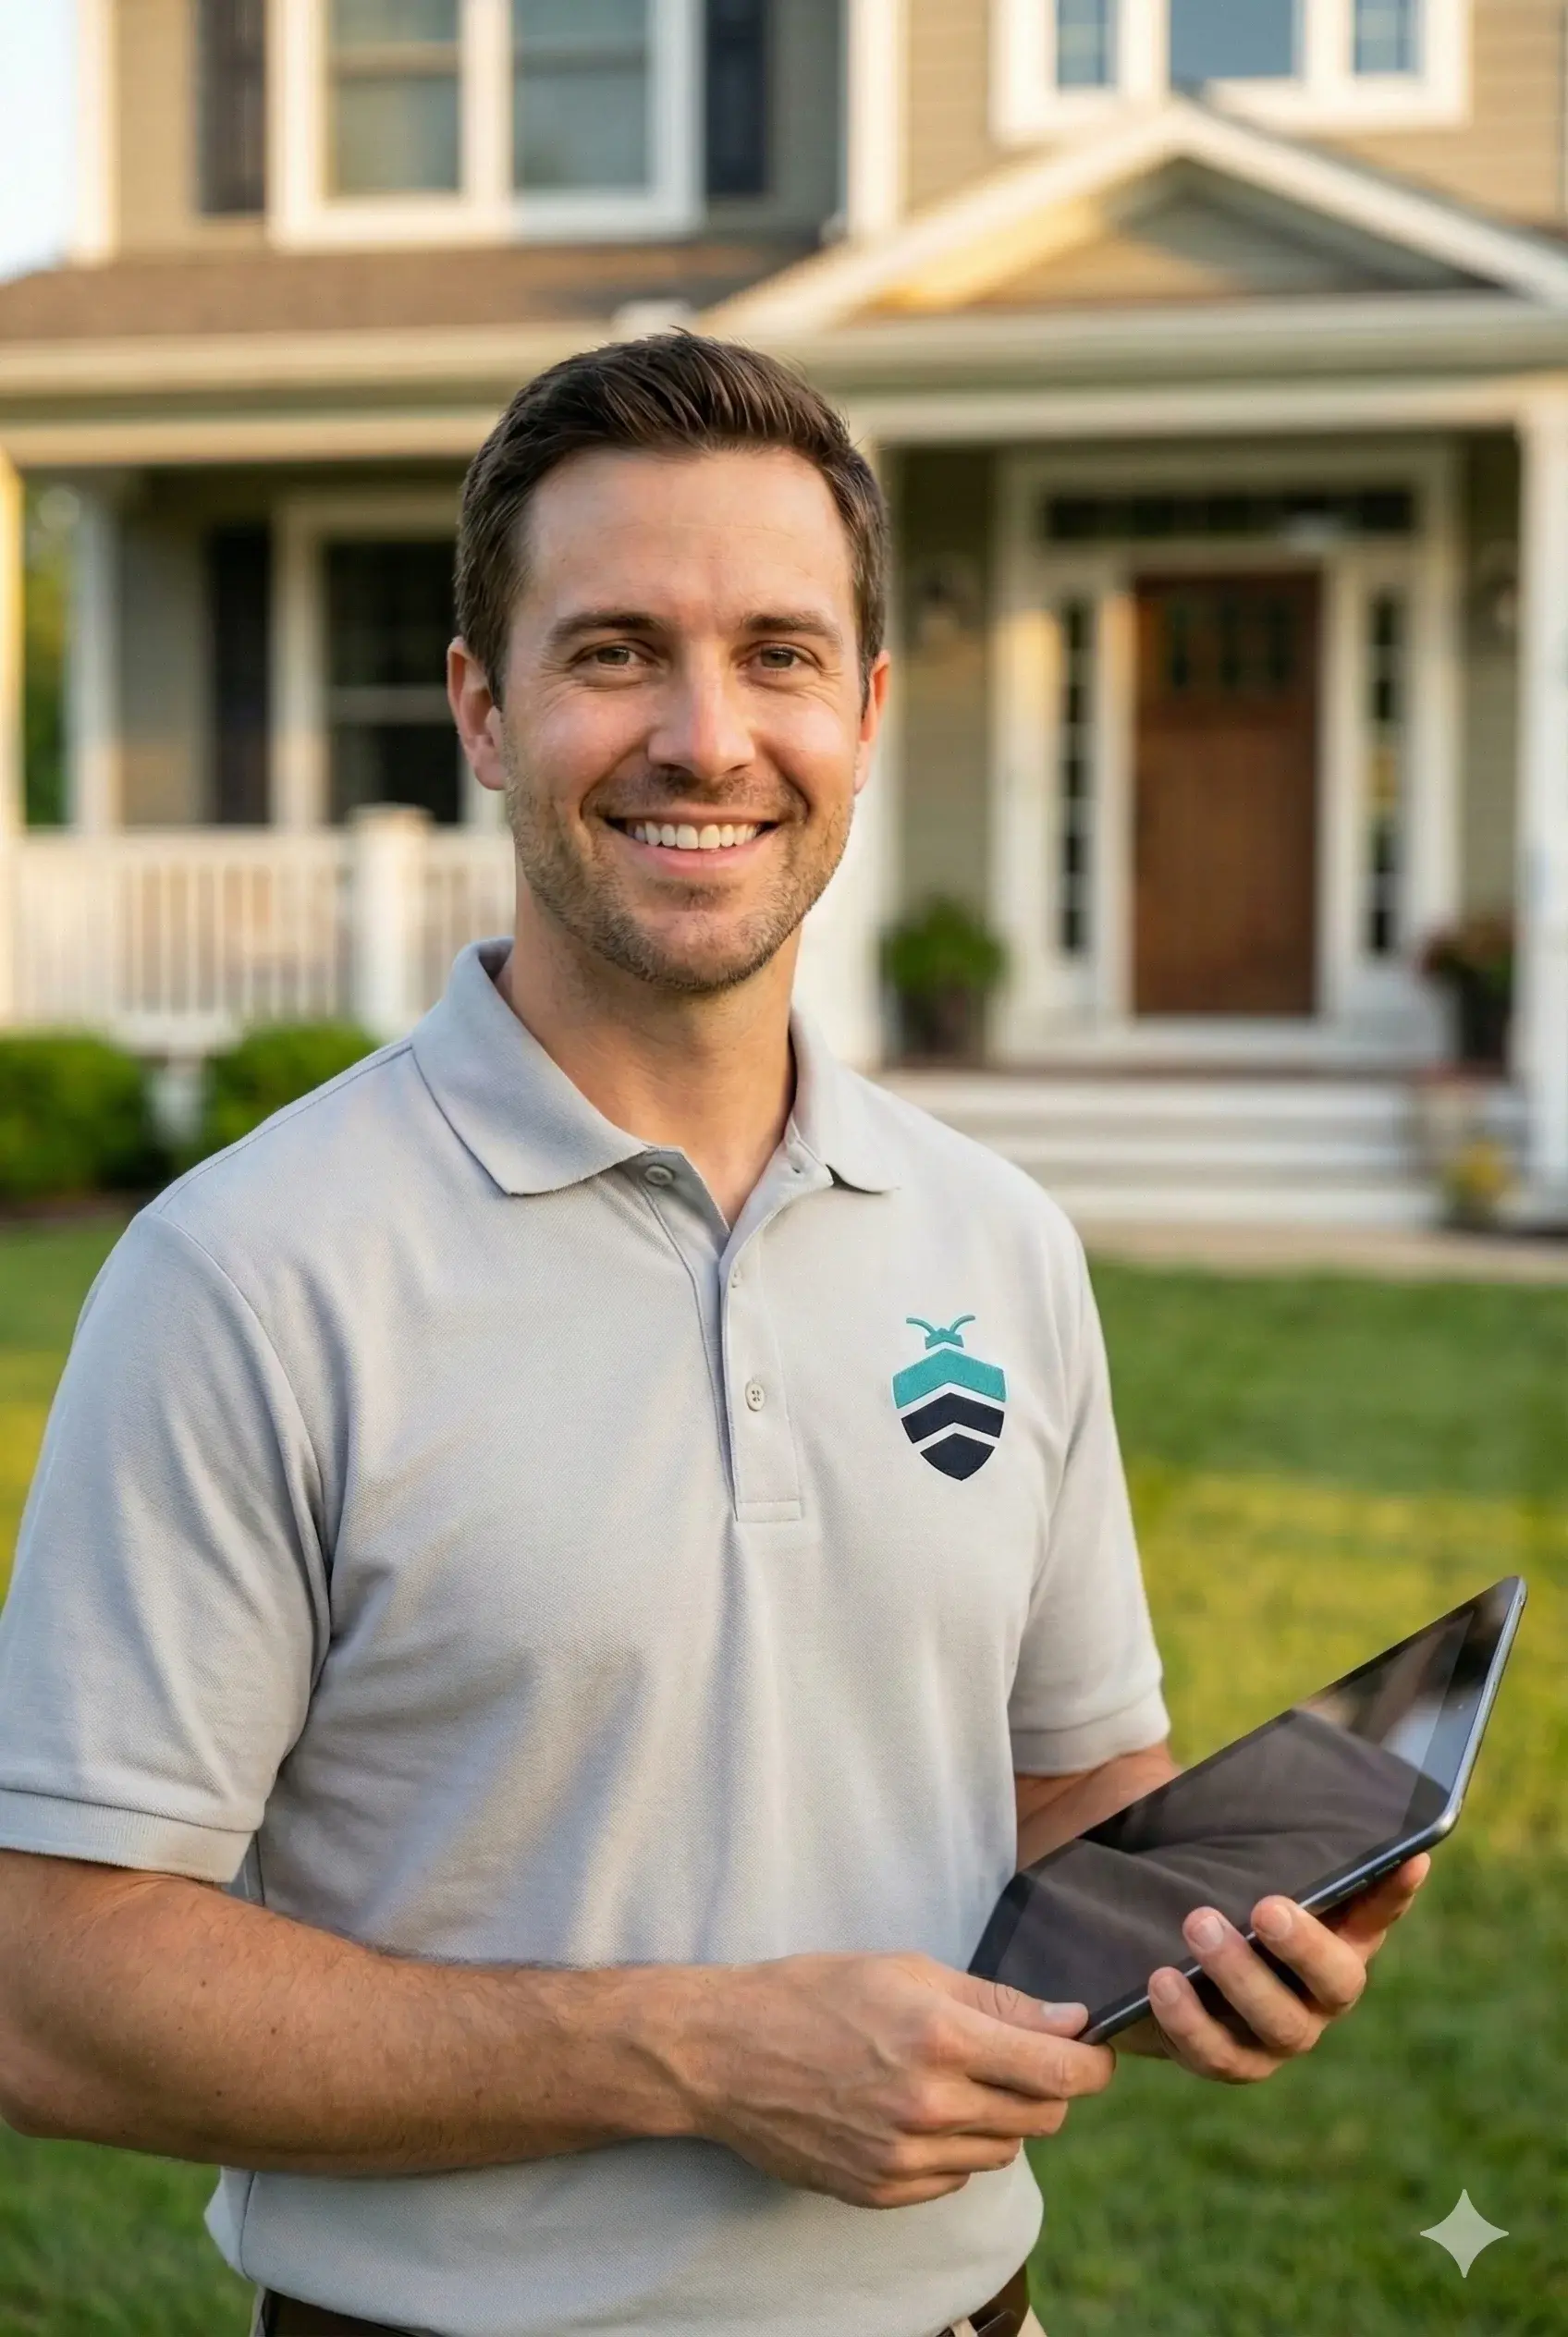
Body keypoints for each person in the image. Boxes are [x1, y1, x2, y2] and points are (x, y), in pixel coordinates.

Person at [0, 336, 1427, 2337]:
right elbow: (49, 1996)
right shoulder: (249, 1271)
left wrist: (1220, 1924)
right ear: (483, 714)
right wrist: (691, 2051)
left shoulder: (996, 1242)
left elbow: (1063, 1791)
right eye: (611, 653)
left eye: (774, 653)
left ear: (860, 708)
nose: (704, 735)